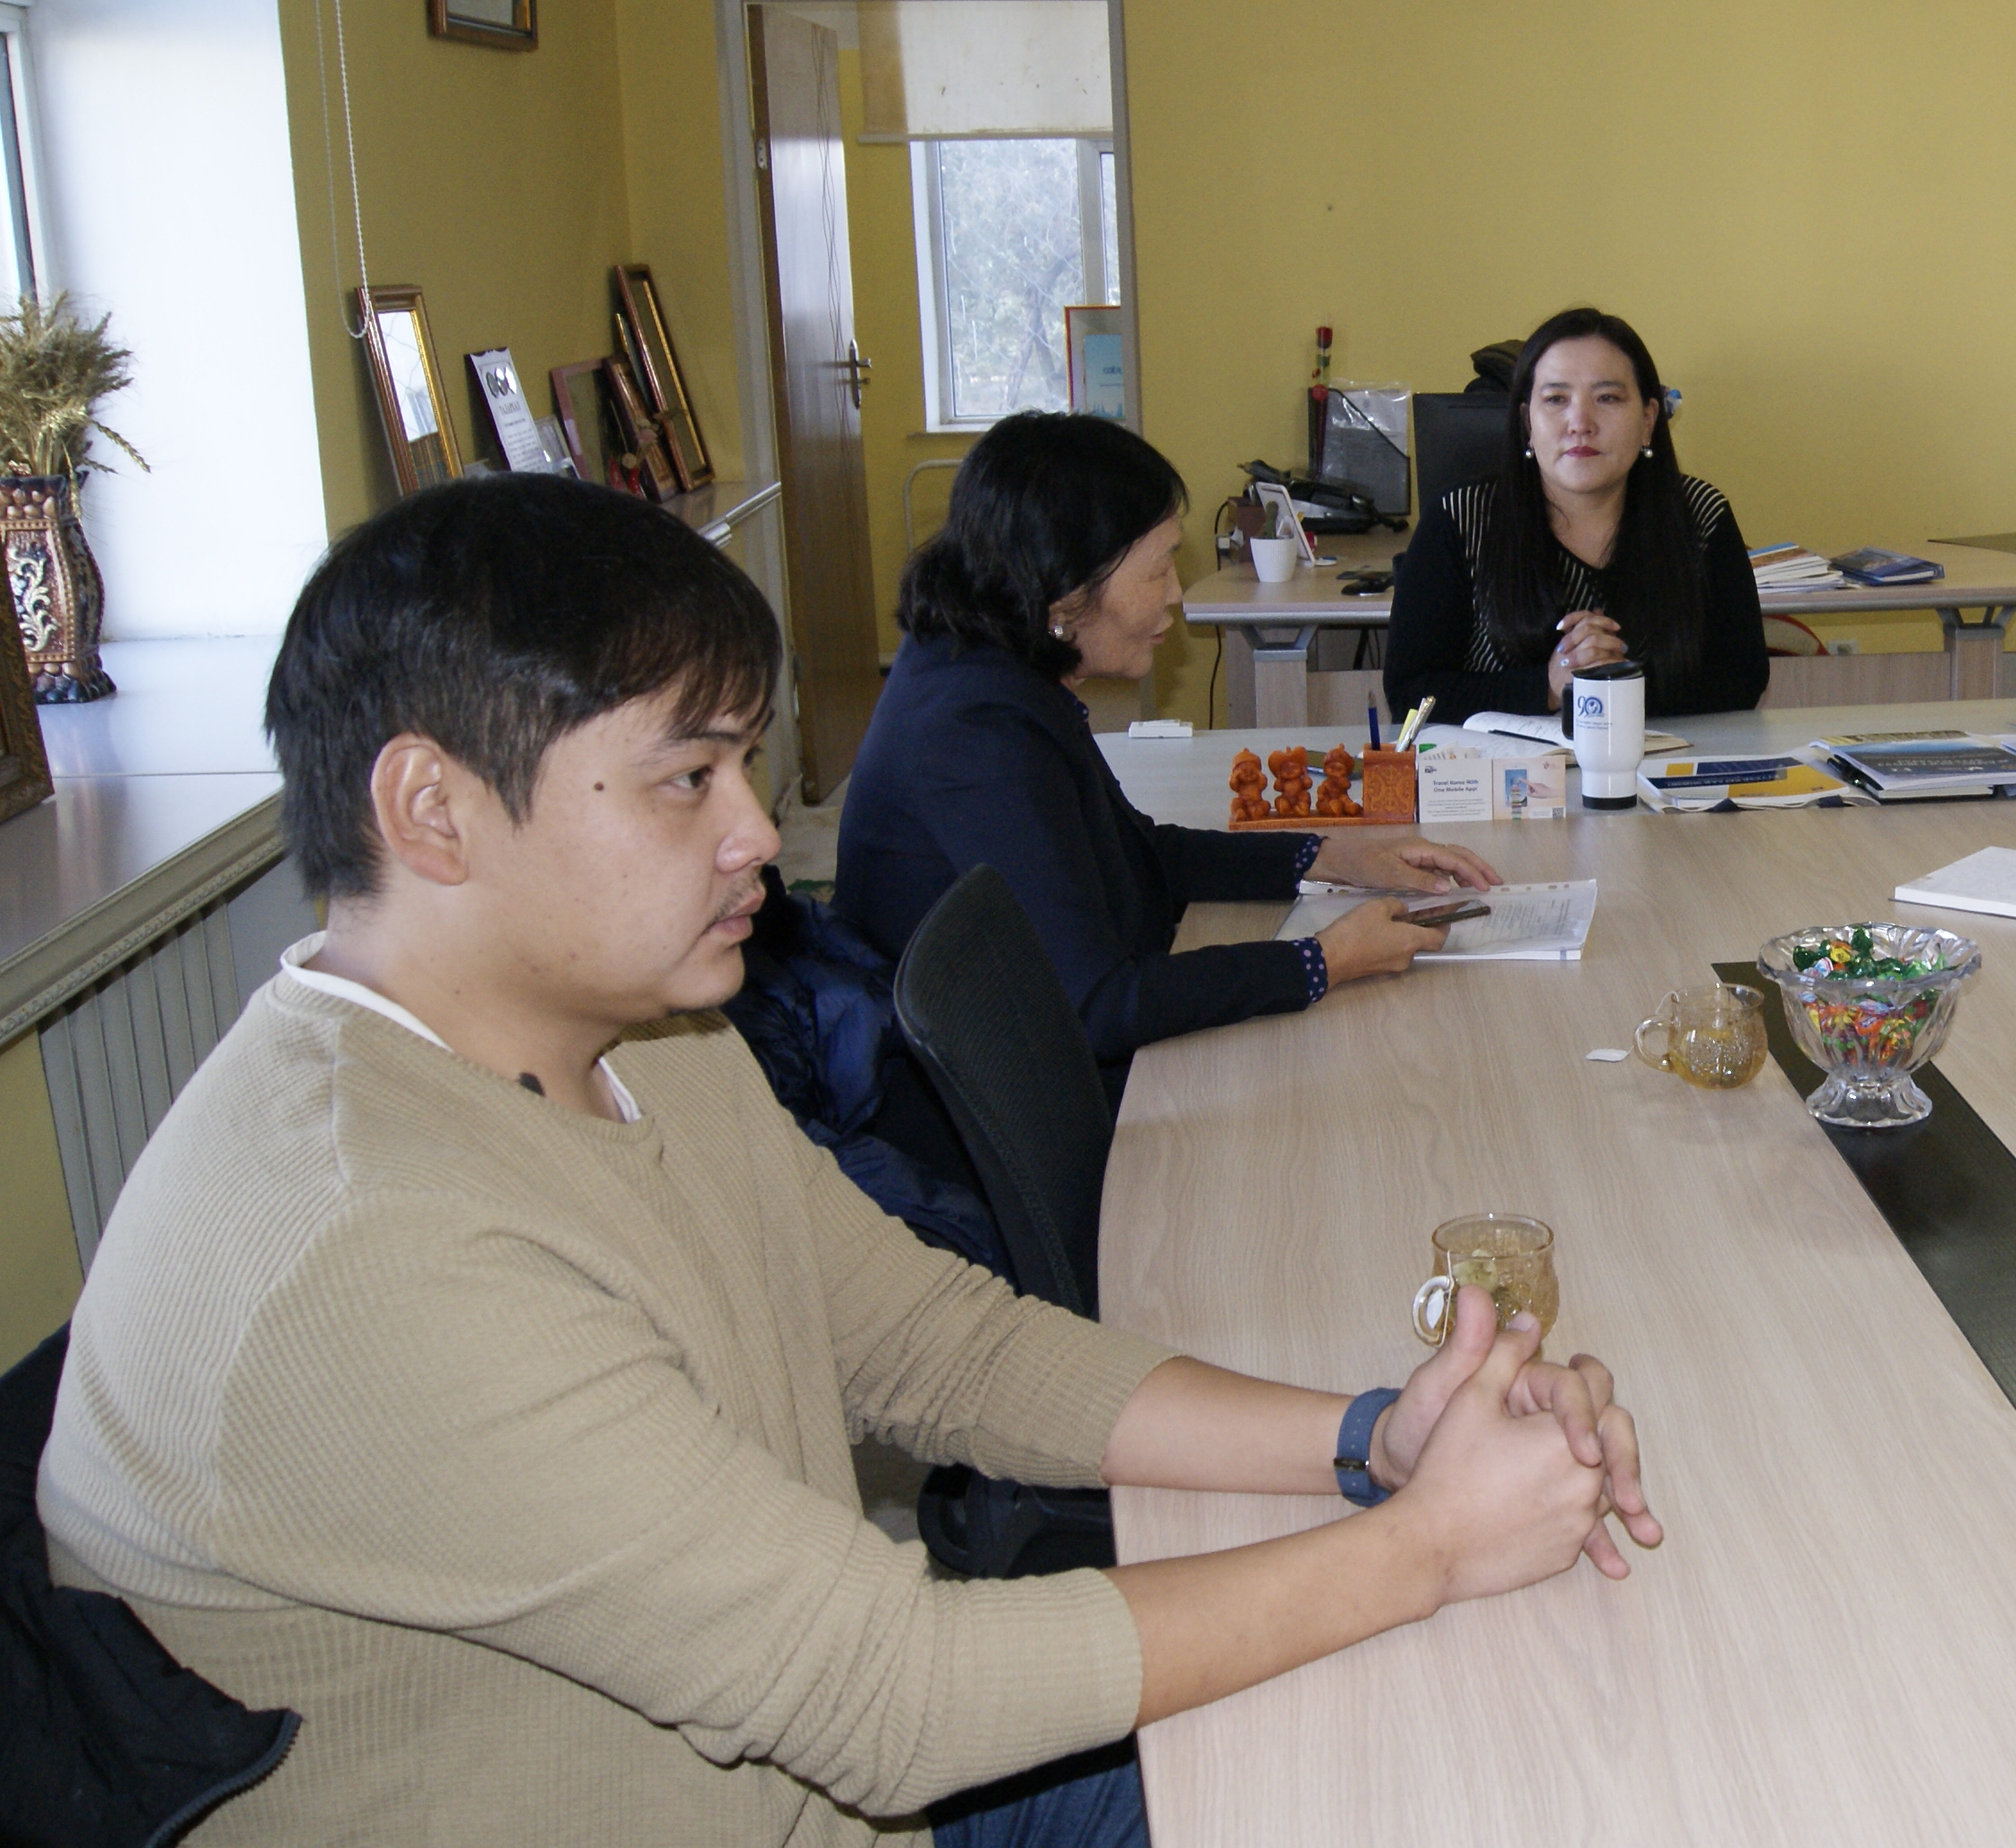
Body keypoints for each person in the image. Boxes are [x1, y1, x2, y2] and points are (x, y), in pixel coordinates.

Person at [38, 477, 1658, 1844]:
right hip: (864, 1766)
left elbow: (936, 1346)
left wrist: (1374, 1439)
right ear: (433, 809)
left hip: (839, 1788)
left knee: (1502, 1720)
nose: (758, 830)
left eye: (742, 767)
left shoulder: (639, 1035)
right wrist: (1423, 1545)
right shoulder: (370, 1249)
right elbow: (894, 1699)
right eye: (687, 778)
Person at [839, 414, 1497, 1081]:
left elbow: (1136, 854)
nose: (1177, 596)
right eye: (1159, 570)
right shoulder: (977, 732)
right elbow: (1097, 1006)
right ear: (1066, 586)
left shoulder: (994, 670)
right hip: (1008, 1100)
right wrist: (1323, 960)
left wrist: (1336, 856)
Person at [1382, 307, 1767, 722]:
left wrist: (1619, 687)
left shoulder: (1699, 514)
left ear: (1647, 420)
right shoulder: (1460, 519)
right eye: (1556, 399)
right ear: (1526, 422)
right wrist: (1548, 687)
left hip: (1669, 759)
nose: (1580, 422)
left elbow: (1742, 677)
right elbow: (1409, 691)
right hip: (1503, 764)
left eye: (1607, 398)